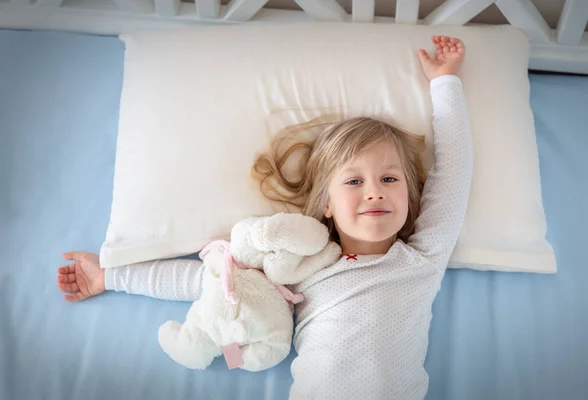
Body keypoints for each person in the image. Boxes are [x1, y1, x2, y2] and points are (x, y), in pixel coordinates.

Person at [57, 36, 472, 400]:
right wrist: (109, 276)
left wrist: (445, 84)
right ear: (325, 204)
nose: (374, 191)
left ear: (409, 190)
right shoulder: (301, 266)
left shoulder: (420, 260)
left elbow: (453, 173)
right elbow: (207, 284)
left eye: (388, 178)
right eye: (353, 181)